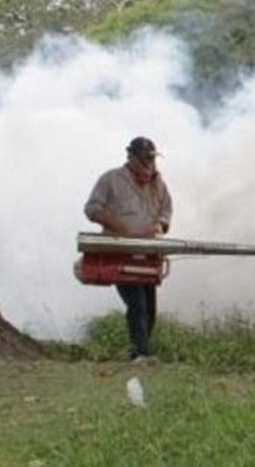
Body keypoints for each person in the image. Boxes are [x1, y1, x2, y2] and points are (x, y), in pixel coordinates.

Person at [84, 136, 173, 363]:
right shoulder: (111, 179)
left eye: (151, 159)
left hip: (148, 252)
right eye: (144, 159)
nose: (148, 163)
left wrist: (158, 226)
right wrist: (118, 225)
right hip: (119, 250)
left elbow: (165, 212)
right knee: (136, 302)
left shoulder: (158, 184)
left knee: (149, 305)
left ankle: (141, 349)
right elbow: (92, 208)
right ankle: (141, 352)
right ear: (131, 157)